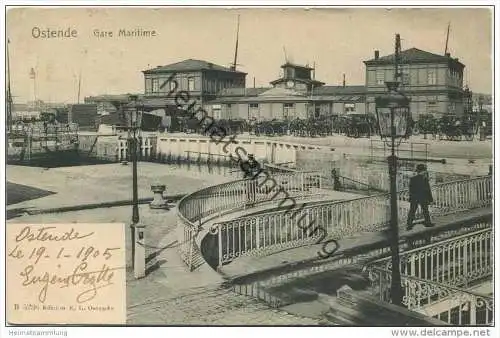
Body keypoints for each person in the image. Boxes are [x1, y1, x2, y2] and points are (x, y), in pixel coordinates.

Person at [406, 164, 434, 230]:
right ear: (423, 171)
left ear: (418, 171)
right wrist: (430, 199)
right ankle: (428, 223)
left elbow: (411, 190)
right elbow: (427, 190)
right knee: (425, 211)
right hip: (423, 197)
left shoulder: (413, 179)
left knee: (412, 211)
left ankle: (409, 225)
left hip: (414, 197)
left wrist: (411, 198)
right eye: (425, 171)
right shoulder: (424, 179)